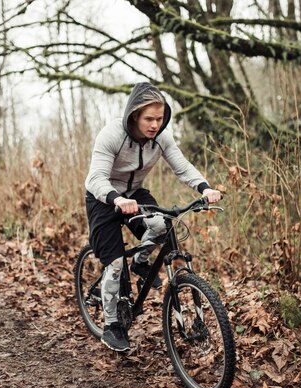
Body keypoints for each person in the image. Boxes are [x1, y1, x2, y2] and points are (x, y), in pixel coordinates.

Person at [84, 82, 221, 352]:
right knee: (114, 264)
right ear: (134, 115)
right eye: (149, 118)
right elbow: (96, 177)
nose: (155, 125)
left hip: (135, 194)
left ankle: (140, 262)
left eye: (159, 119)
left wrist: (204, 188)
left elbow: (182, 167)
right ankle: (112, 326)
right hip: (103, 198)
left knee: (161, 225)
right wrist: (117, 199)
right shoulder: (111, 135)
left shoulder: (161, 138)